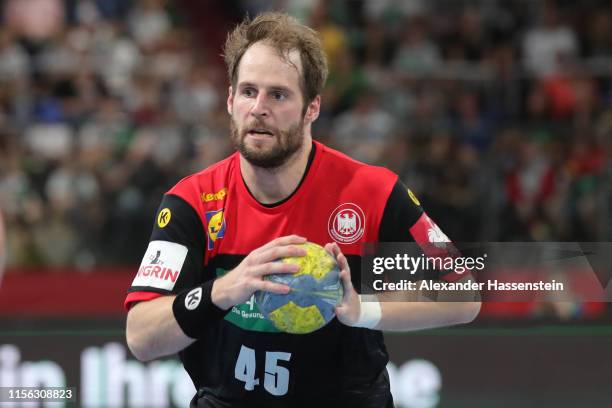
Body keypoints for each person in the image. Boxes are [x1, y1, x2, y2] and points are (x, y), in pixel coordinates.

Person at [125, 12, 480, 408]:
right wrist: (226, 289)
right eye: (248, 92)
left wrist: (364, 309)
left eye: (278, 95)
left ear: (312, 108)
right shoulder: (191, 202)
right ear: (229, 100)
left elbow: (465, 293)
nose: (258, 108)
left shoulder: (372, 190)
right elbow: (140, 336)